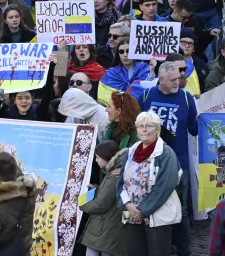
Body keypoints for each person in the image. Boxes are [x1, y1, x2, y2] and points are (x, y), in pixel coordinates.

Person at [140, 61, 197, 255]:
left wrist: (204, 120)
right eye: (172, 79)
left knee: (181, 209)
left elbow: (194, 129)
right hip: (150, 161)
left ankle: (184, 251)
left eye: (179, 78)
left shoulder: (187, 98)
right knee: (151, 203)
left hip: (179, 163)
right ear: (161, 79)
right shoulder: (146, 96)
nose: (177, 82)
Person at [117, 111, 182, 256]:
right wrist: (128, 205)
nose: (144, 129)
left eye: (149, 126)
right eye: (140, 126)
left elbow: (165, 186)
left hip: (157, 216)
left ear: (157, 129)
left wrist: (141, 211)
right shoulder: (132, 150)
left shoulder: (166, 153)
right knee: (133, 251)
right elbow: (121, 181)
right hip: (130, 213)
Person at [79, 141, 126, 256]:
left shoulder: (113, 176)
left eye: (98, 157)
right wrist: (95, 188)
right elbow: (108, 194)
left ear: (107, 157)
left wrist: (80, 203)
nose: (96, 160)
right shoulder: (112, 174)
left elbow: (100, 204)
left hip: (105, 228)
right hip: (105, 228)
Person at [97, 38, 150, 105]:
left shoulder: (145, 70)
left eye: (128, 51)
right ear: (118, 54)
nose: (125, 55)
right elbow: (104, 98)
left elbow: (149, 91)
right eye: (121, 52)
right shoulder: (110, 73)